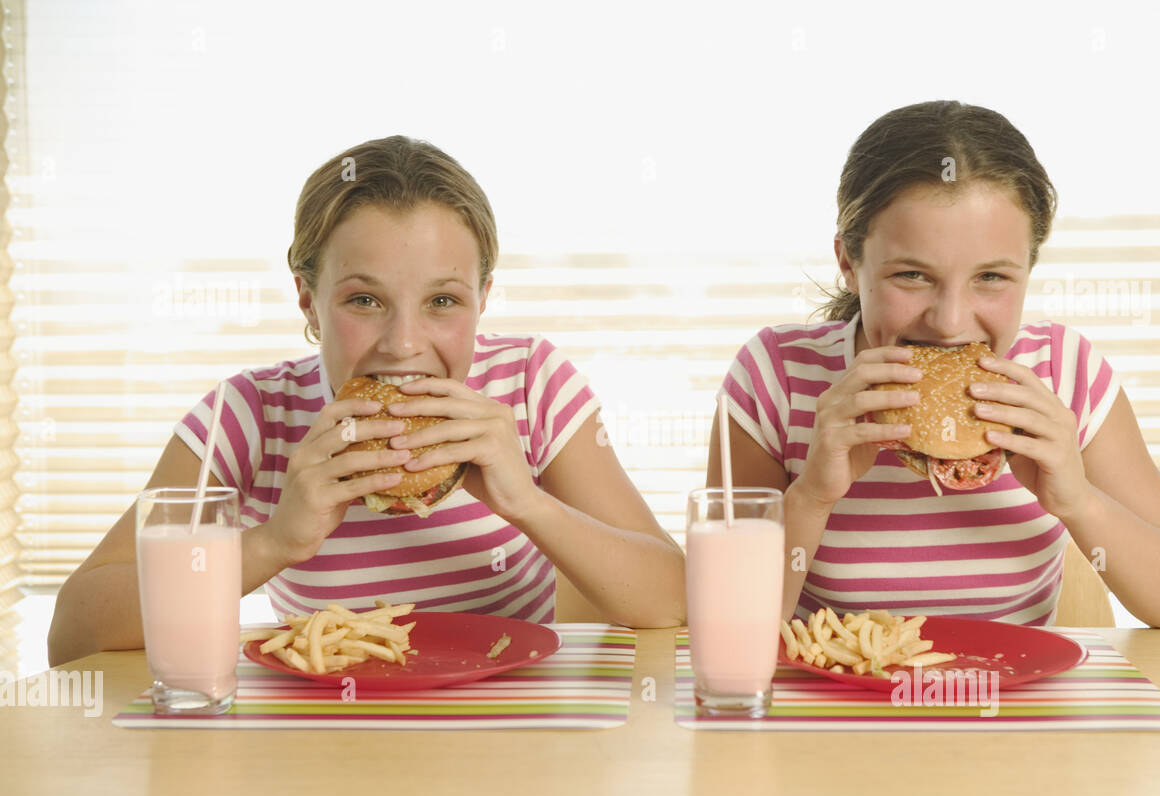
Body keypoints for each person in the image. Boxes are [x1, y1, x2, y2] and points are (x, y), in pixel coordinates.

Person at [48, 135, 684, 666]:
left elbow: (672, 597)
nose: (404, 345)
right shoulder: (251, 415)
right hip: (326, 740)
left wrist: (527, 503)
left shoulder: (530, 383)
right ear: (308, 300)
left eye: (443, 301)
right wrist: (272, 543)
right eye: (364, 300)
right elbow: (74, 631)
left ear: (482, 298)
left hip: (508, 736)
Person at [709, 101, 1160, 630]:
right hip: (832, 707)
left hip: (1016, 707)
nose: (951, 322)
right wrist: (811, 497)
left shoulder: (1065, 374)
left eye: (992, 278)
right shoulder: (775, 376)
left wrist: (1079, 502)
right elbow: (723, 630)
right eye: (912, 275)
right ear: (848, 261)